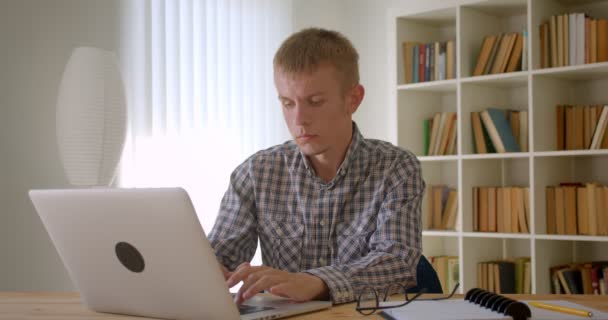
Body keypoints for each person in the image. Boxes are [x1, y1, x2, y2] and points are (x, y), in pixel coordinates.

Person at [208, 27, 424, 305]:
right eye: (287, 103)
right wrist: (209, 269)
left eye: (315, 102)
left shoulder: (396, 168)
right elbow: (220, 255)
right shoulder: (256, 172)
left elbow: (398, 263)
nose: (299, 120)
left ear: (354, 99)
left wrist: (317, 282)